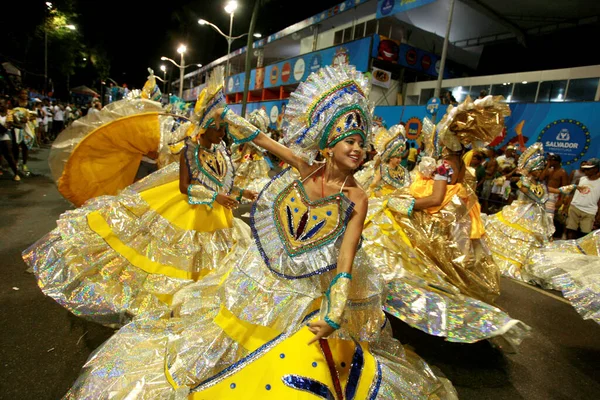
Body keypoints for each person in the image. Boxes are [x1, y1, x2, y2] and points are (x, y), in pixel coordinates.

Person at [61, 65, 456, 400]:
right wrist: (226, 119)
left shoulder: (357, 196)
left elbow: (347, 254)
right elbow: (263, 140)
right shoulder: (306, 167)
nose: (358, 149)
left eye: (362, 144)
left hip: (312, 287)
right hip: (267, 271)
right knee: (234, 332)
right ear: (330, 142)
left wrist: (335, 308)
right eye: (351, 141)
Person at [22, 72, 255, 328]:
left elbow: (222, 182)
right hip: (189, 213)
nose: (223, 133)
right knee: (174, 263)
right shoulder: (190, 149)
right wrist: (215, 196)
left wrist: (242, 194)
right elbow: (185, 187)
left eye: (224, 128)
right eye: (220, 128)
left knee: (213, 268)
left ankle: (198, 308)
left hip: (217, 217)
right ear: (207, 127)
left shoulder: (221, 150)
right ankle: (167, 308)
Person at [362, 96, 528, 346]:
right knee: (453, 271)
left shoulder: (443, 166)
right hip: (459, 222)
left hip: (441, 222)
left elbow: (436, 198)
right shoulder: (461, 164)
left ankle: (447, 309)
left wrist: (402, 204)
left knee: (417, 262)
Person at [485, 144, 587, 280]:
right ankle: (512, 261)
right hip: (520, 212)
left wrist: (574, 186)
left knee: (533, 239)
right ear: (532, 169)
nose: (540, 172)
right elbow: (533, 195)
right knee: (517, 236)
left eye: (541, 169)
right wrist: (543, 199)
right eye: (538, 169)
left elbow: (555, 190)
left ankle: (524, 262)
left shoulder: (539, 183)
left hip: (535, 214)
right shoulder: (523, 181)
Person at [230, 109, 272, 195]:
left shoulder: (252, 137)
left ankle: (248, 191)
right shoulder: (257, 137)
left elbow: (247, 146)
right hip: (252, 157)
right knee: (253, 175)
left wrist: (241, 157)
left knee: (248, 175)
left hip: (251, 157)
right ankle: (249, 192)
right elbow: (248, 146)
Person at [565, 158, 600, 239]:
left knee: (585, 234)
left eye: (589, 169)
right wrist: (567, 207)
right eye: (585, 169)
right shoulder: (580, 180)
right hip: (575, 207)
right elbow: (572, 194)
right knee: (570, 229)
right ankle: (569, 248)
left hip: (590, 211)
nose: (586, 171)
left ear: (596, 169)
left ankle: (581, 250)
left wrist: (599, 214)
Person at [0, 99, 20, 181]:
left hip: (6, 138)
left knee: (9, 156)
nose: (0, 106)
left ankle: (16, 173)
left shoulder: (11, 114)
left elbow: (19, 126)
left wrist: (12, 124)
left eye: (2, 104)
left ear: (6, 105)